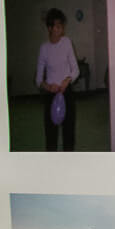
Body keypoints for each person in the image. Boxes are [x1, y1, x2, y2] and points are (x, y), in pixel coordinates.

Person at [35, 8, 79, 150]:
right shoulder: (44, 48)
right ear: (50, 28)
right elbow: (38, 79)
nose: (61, 29)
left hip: (66, 93)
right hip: (50, 96)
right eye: (58, 26)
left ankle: (69, 165)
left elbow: (75, 70)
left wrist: (67, 80)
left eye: (62, 26)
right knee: (51, 136)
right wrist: (48, 87)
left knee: (69, 134)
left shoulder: (67, 42)